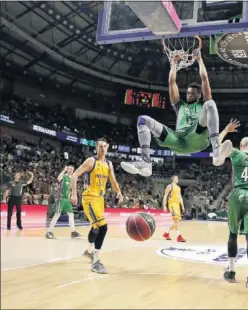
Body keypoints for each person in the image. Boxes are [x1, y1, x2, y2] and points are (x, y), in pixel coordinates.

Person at [121, 51, 221, 177]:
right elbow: (171, 82)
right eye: (188, 92)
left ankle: (216, 147)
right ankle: (146, 161)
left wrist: (200, 60)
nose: (189, 94)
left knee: (210, 104)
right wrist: (174, 63)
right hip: (178, 140)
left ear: (199, 95)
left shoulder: (202, 104)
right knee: (143, 120)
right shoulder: (180, 106)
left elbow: (204, 79)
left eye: (192, 93)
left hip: (197, 137)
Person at [219, 123, 248, 293]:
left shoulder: (237, 154)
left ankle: (231, 271)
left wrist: (225, 131)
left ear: (240, 146)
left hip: (238, 195)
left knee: (233, 233)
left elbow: (218, 145)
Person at [70, 138, 123, 274]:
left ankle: (89, 251)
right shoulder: (91, 161)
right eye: (100, 146)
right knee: (102, 227)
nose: (102, 148)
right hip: (89, 198)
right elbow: (75, 175)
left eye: (105, 146)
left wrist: (119, 192)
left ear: (107, 148)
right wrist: (74, 193)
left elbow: (113, 179)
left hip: (99, 199)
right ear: (96, 148)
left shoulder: (109, 164)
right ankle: (95, 262)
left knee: (96, 229)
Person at [45, 166, 81, 239]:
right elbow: (58, 178)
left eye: (72, 169)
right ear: (67, 169)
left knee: (71, 214)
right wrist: (64, 170)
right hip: (60, 198)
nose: (71, 170)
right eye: (69, 168)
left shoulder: (72, 179)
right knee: (57, 215)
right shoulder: (63, 176)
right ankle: (49, 232)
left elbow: (71, 190)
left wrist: (72, 197)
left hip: (67, 200)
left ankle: (73, 232)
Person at [162, 175, 186, 242]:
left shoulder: (178, 187)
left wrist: (182, 205)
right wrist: (164, 205)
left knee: (176, 222)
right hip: (172, 204)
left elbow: (180, 197)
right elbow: (165, 195)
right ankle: (179, 236)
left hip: (177, 205)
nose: (178, 179)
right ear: (173, 179)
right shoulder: (170, 186)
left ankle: (166, 233)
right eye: (176, 178)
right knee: (175, 221)